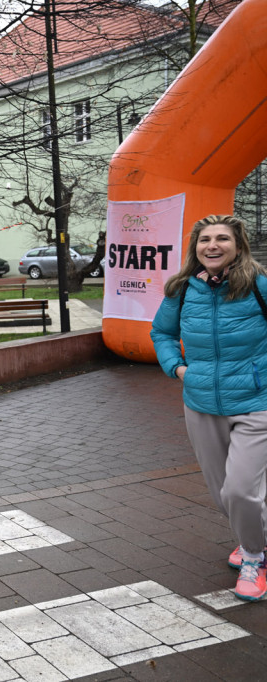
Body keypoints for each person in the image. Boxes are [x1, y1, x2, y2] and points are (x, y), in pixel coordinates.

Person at [151, 214, 267, 601]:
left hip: (256, 402)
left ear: (238, 245)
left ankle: (253, 556)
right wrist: (177, 368)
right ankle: (254, 538)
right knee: (222, 494)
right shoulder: (182, 289)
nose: (212, 245)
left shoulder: (259, 285)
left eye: (222, 238)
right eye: (205, 240)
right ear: (195, 247)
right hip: (200, 402)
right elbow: (162, 332)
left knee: (241, 490)